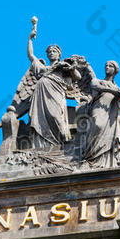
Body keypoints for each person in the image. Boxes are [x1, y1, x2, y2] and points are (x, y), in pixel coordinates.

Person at [27, 19, 81, 149]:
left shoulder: (63, 66)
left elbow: (78, 77)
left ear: (59, 54)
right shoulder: (41, 66)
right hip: (41, 93)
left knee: (56, 116)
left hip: (56, 93)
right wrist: (30, 38)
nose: (51, 53)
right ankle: (42, 145)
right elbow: (31, 55)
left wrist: (71, 68)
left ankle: (63, 143)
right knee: (40, 119)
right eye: (49, 51)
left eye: (54, 51)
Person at [83, 61, 120, 167]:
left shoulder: (117, 88)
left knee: (112, 138)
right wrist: (111, 90)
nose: (107, 68)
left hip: (113, 114)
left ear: (115, 70)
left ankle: (106, 162)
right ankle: (90, 159)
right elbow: (94, 85)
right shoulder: (99, 81)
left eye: (110, 66)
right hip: (100, 107)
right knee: (97, 125)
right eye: (106, 66)